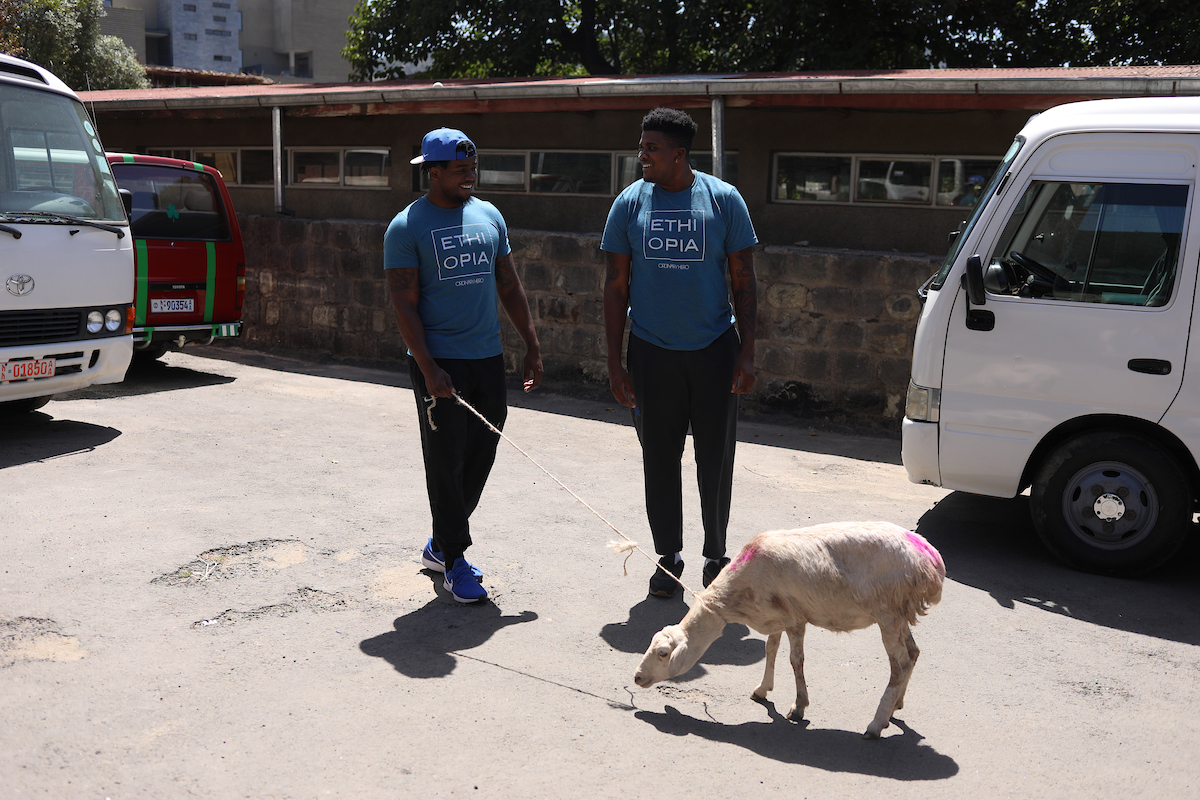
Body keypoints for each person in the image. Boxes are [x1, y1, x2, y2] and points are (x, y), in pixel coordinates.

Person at [601, 108, 758, 598]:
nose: (642, 154)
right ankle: (667, 556)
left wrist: (747, 351)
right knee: (659, 459)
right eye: (641, 146)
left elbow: (744, 280)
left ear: (679, 154)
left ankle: (716, 556)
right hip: (652, 353)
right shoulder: (629, 204)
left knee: (716, 458)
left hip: (714, 350)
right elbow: (614, 286)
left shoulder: (723, 199)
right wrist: (615, 361)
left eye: (651, 147)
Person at [384, 127, 543, 604]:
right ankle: (455, 559)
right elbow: (403, 305)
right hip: (439, 362)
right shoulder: (407, 227)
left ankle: (441, 540)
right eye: (459, 170)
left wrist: (531, 345)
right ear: (433, 172)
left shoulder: (489, 216)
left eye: (473, 167)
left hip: (486, 357)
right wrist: (429, 367)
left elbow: (509, 285)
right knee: (445, 459)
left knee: (482, 450)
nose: (470, 176)